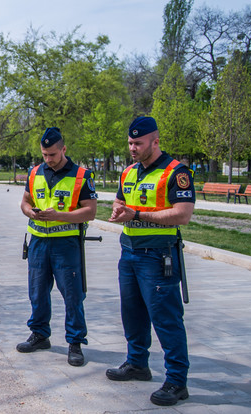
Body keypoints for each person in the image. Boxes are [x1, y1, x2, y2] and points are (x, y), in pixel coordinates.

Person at [107, 116, 195, 406]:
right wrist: (119, 209)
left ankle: (177, 381)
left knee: (165, 319)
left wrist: (137, 215)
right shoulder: (129, 172)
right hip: (129, 252)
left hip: (158, 255)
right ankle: (137, 364)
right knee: (132, 313)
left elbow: (182, 214)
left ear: (155, 141)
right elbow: (121, 201)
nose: (132, 148)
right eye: (130, 142)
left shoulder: (176, 172)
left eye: (138, 143)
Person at [16, 127, 97, 367]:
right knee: (37, 291)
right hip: (38, 242)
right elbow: (25, 201)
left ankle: (75, 342)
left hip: (66, 244)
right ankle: (40, 334)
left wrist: (59, 215)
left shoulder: (81, 175)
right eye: (44, 154)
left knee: (72, 294)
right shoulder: (34, 172)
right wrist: (29, 211)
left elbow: (90, 212)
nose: (48, 159)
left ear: (63, 149)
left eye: (52, 154)